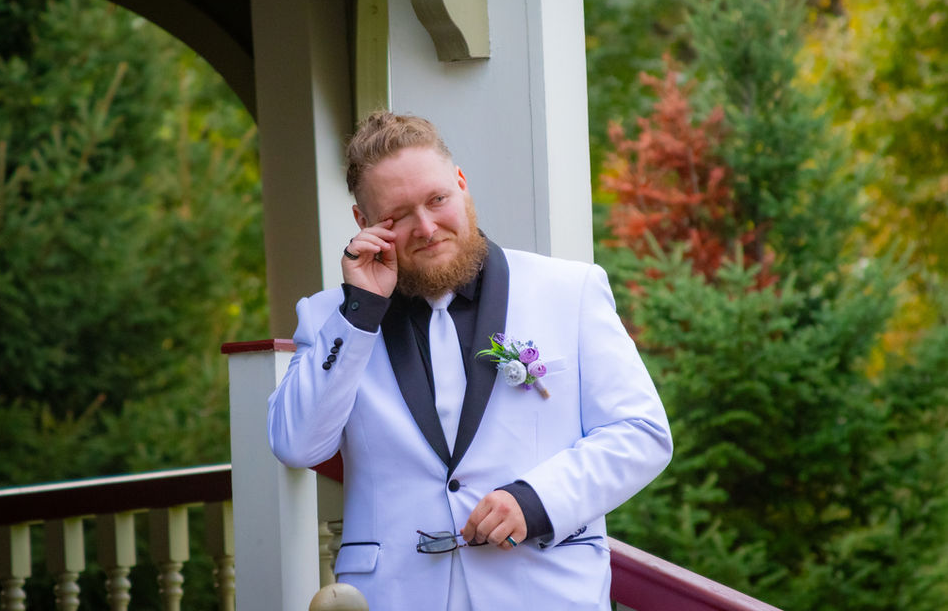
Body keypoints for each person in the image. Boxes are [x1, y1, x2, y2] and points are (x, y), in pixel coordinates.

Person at [267, 111, 672, 611]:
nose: (427, 227)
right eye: (397, 216)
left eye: (438, 200)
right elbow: (296, 445)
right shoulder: (332, 318)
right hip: (396, 596)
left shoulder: (570, 290)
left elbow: (642, 432)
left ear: (461, 184)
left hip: (544, 591)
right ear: (364, 223)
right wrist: (359, 315)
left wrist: (536, 500)